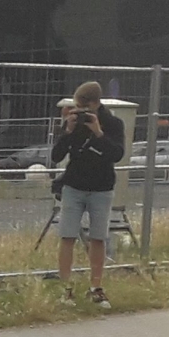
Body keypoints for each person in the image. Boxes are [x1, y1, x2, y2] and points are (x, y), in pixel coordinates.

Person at [48, 79, 127, 310]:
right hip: (74, 185)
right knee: (67, 235)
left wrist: (98, 133)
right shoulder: (73, 122)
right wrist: (68, 130)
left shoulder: (113, 123)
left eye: (84, 108)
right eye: (77, 108)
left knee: (98, 237)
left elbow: (117, 154)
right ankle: (65, 286)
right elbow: (56, 155)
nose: (81, 113)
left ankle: (96, 286)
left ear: (94, 104)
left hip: (101, 187)